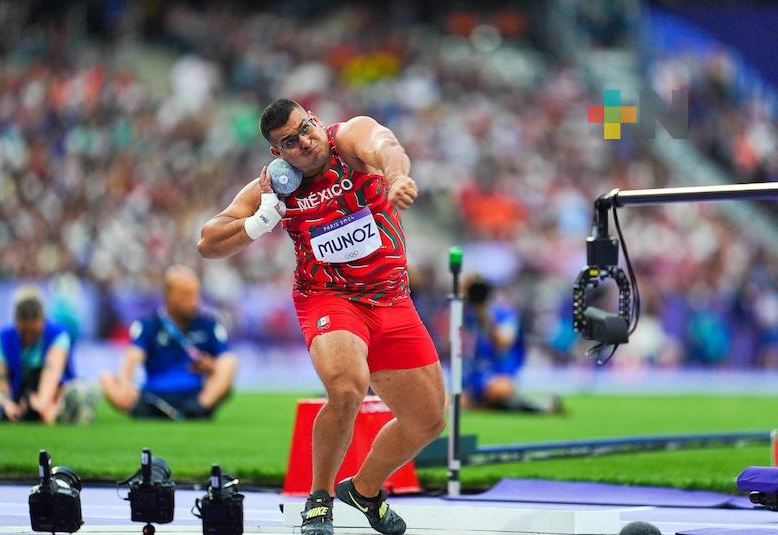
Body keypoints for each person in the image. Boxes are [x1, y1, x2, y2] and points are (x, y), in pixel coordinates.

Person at [198, 99, 446, 535]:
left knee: (429, 420)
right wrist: (262, 219)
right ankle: (318, 499)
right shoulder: (273, 187)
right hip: (328, 297)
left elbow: (386, 145)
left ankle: (364, 490)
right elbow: (208, 243)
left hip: (391, 298)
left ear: (314, 120)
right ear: (278, 154)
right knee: (347, 388)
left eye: (306, 128)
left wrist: (396, 176)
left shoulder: (348, 140)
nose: (305, 142)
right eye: (290, 142)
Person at [100, 265, 237, 420]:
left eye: (196, 295)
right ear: (170, 295)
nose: (194, 301)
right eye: (187, 295)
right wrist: (125, 384)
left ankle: (199, 407)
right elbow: (133, 357)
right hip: (155, 396)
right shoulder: (149, 325)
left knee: (229, 361)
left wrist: (210, 366)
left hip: (196, 394)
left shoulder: (208, 324)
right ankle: (164, 410)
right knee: (106, 379)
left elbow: (225, 361)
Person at [0, 286, 95, 424]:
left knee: (72, 391)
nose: (29, 336)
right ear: (16, 321)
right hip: (16, 394)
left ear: (43, 320)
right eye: (24, 332)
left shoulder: (58, 336)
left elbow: (52, 375)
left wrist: (39, 404)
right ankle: (61, 413)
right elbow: (0, 383)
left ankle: (58, 411)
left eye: (34, 331)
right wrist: (7, 405)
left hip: (50, 391)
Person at [463, 276, 562, 414]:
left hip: (499, 373)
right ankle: (537, 405)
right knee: (453, 401)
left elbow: (504, 342)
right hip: (474, 374)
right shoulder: (465, 314)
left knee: (497, 391)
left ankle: (536, 405)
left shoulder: (504, 313)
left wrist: (485, 319)